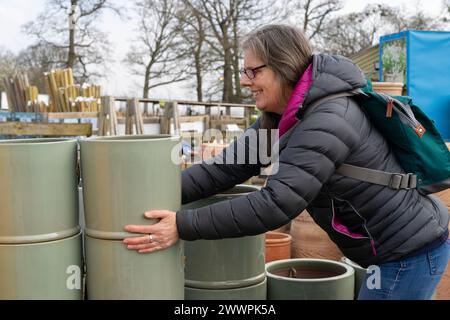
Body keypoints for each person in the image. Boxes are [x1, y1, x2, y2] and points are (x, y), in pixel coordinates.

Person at [123, 24, 450, 300]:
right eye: (243, 71)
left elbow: (275, 205)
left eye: (253, 71)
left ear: (284, 67)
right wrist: (154, 194)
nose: (245, 81)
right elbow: (226, 168)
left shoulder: (328, 119)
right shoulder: (282, 117)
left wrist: (181, 226)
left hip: (409, 253)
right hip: (390, 248)